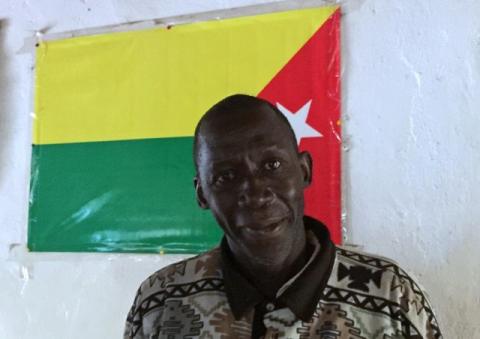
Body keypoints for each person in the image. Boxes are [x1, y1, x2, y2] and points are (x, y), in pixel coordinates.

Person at [124, 94, 442, 339]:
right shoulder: (160, 301)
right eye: (226, 176)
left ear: (304, 171)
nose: (256, 193)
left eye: (272, 166)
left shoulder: (390, 294)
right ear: (202, 194)